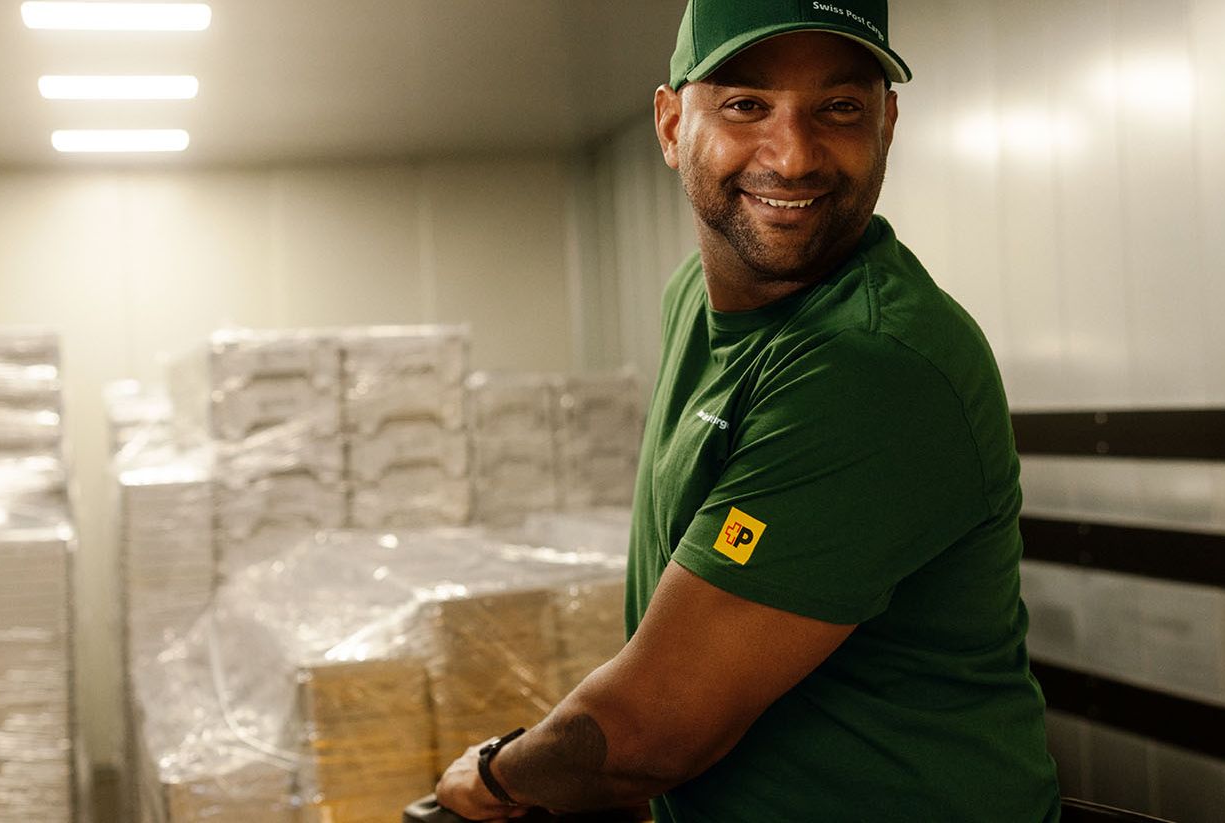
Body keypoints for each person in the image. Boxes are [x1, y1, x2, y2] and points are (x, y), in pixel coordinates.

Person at [433, 1, 1062, 820]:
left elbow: (654, 728)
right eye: (745, 105)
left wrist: (494, 776)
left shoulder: (870, 364)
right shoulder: (693, 299)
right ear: (671, 125)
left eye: (840, 108)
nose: (793, 156)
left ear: (887, 124)